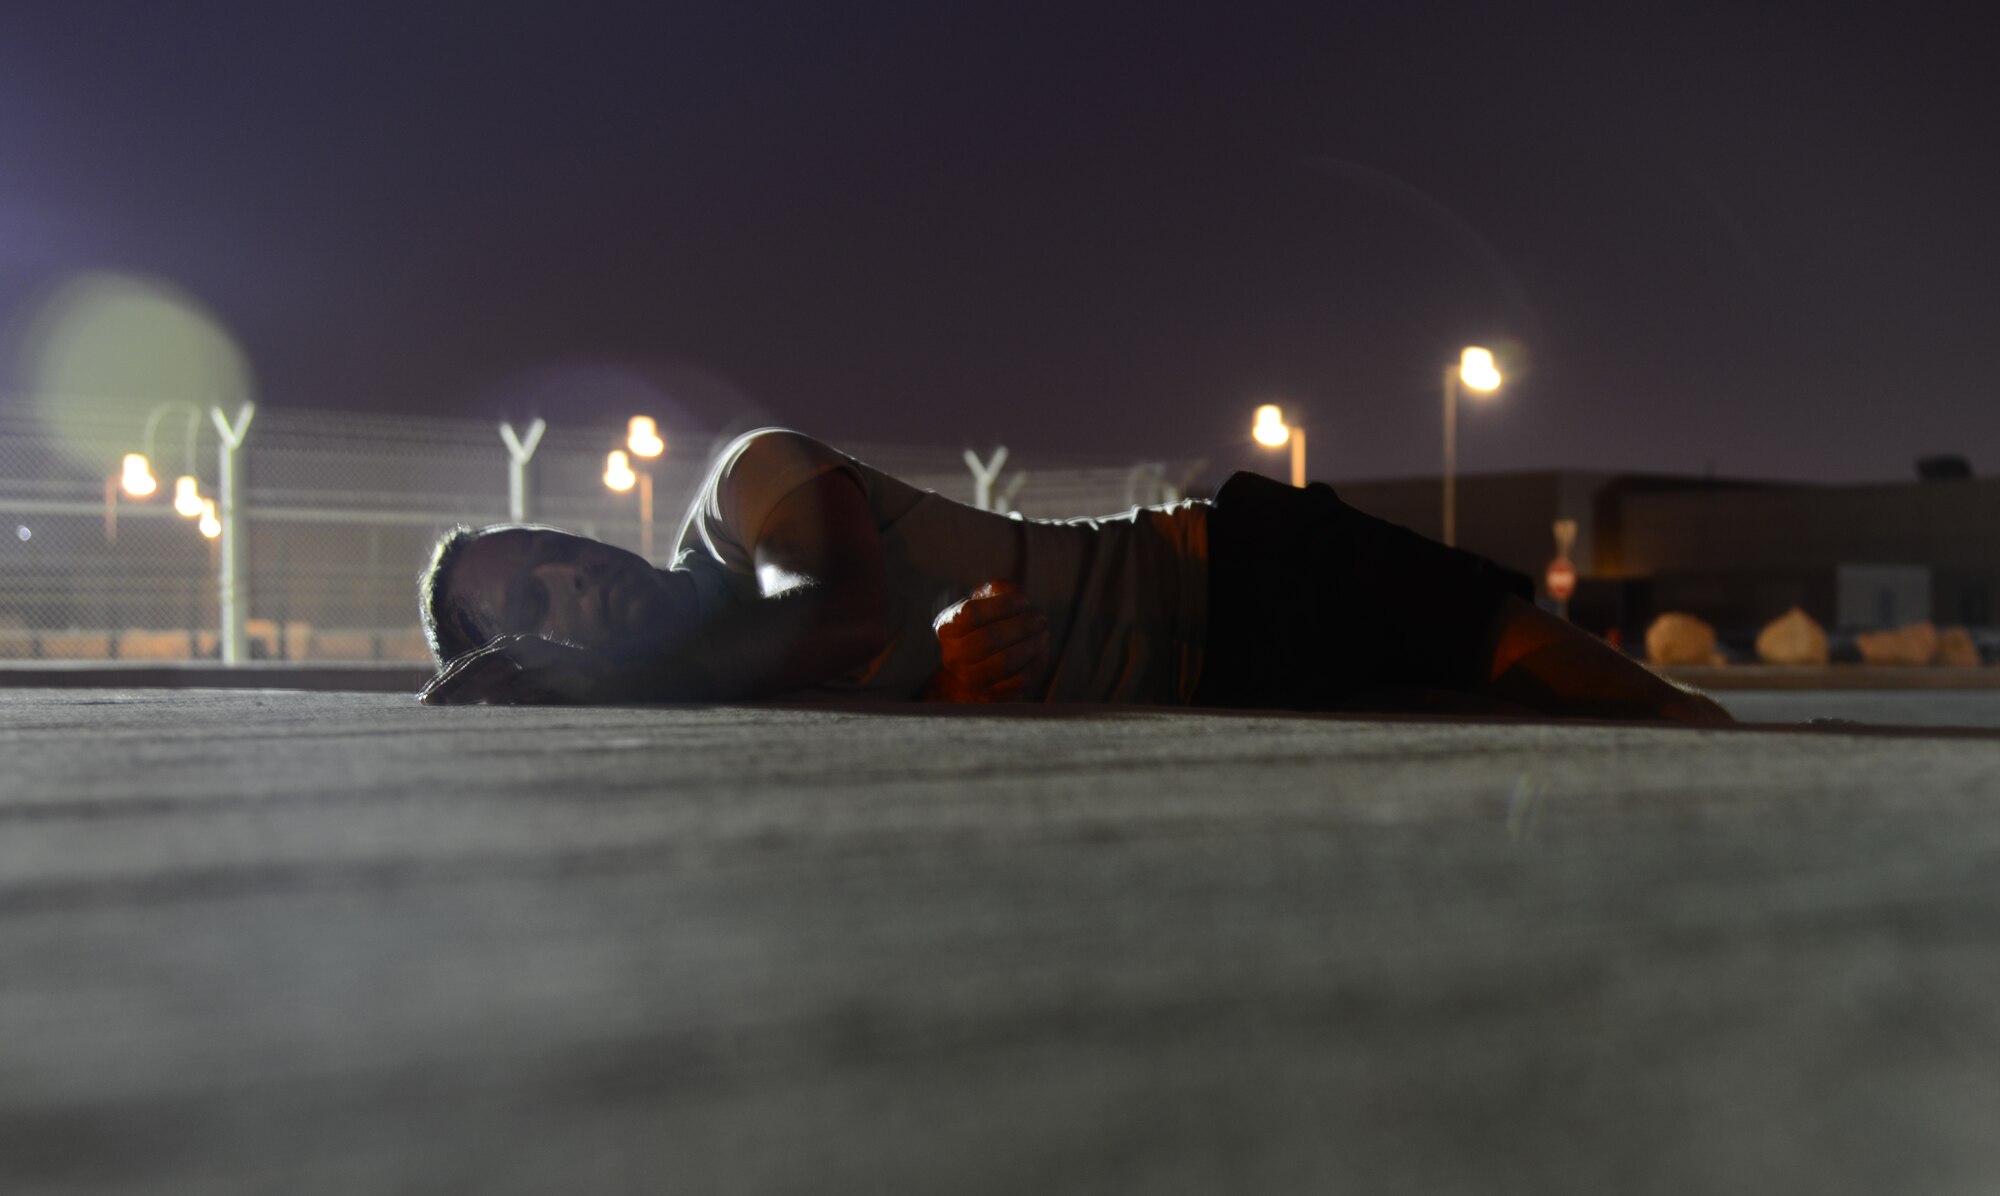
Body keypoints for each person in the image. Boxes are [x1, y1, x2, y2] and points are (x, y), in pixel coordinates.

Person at [417, 428, 1730, 723]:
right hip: (1221, 714)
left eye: (557, 551)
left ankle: (1712, 727)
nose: (575, 577)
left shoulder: (743, 484)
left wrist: (598, 692)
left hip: (1226, 576)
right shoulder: (707, 709)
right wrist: (937, 702)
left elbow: (839, 615)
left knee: (1581, 690)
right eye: (533, 605)